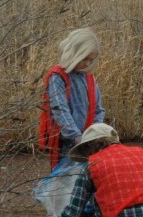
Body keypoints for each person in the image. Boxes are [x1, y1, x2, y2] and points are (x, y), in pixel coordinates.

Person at [39, 28, 105, 169]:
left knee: (87, 179)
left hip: (87, 140)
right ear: (74, 53)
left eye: (91, 60)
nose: (87, 64)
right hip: (66, 142)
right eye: (84, 59)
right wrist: (76, 136)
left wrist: (95, 134)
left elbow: (98, 109)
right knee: (63, 181)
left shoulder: (89, 77)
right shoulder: (57, 76)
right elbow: (59, 109)